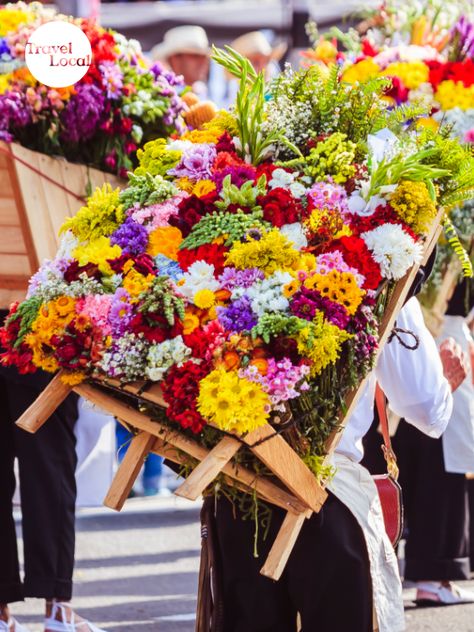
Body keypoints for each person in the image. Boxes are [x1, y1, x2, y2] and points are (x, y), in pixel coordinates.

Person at [206, 296, 466, 632]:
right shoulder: (381, 268)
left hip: (239, 495)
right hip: (328, 498)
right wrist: (445, 379)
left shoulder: (217, 270)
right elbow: (427, 407)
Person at [0, 314, 105, 632]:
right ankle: (56, 610)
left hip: (37, 334)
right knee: (50, 475)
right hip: (37, 336)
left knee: (49, 474)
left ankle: (14, 613)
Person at [393, 279, 474, 606]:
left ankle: (434, 574)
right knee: (437, 470)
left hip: (429, 340)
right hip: (432, 341)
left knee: (431, 463)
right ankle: (434, 575)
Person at [151, 25, 211, 96]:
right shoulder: (161, 94)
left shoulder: (202, 94)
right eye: (195, 56)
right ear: (175, 59)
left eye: (205, 57)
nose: (203, 62)